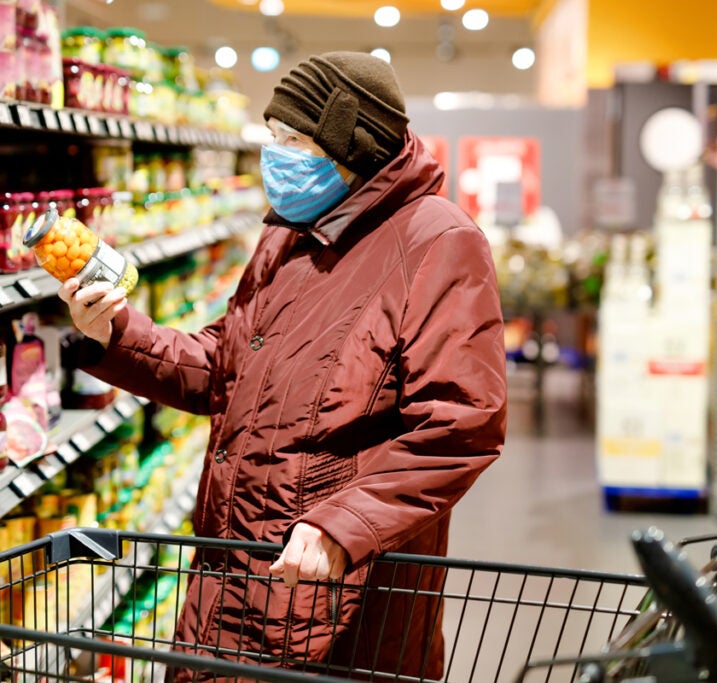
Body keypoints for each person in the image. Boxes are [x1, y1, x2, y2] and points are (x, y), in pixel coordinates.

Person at [60, 51, 507, 680]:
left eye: (292, 139)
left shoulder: (437, 241)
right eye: (273, 135)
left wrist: (343, 526)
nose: (276, 155)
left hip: (337, 594)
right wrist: (115, 333)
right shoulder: (288, 232)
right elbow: (227, 366)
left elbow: (461, 423)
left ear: (351, 148)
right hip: (234, 561)